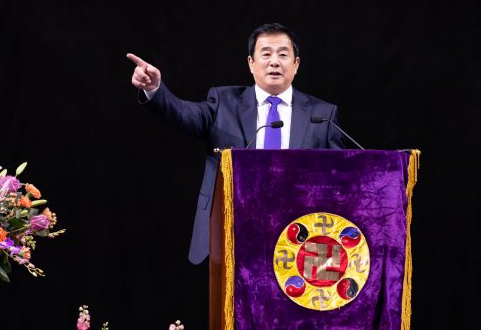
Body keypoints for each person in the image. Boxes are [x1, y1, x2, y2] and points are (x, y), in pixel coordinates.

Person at [127, 22, 346, 264]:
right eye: (266, 54)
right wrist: (156, 89)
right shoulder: (223, 102)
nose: (275, 61)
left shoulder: (322, 114)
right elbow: (184, 114)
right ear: (251, 63)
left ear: (296, 65)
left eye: (283, 54)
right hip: (232, 233)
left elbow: (340, 180)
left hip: (300, 242)